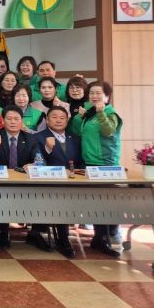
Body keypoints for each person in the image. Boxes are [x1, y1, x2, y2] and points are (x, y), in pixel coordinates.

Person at [71, 81, 123, 257]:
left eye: (98, 93)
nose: (94, 96)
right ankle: (99, 237)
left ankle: (105, 238)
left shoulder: (110, 112)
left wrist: (100, 112)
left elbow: (109, 131)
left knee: (105, 203)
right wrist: (81, 116)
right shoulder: (90, 114)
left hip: (105, 164)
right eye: (91, 93)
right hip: (89, 162)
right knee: (95, 202)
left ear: (107, 96)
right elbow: (78, 132)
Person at [0, 105, 40, 248]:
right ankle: (4, 231)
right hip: (1, 184)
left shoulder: (30, 138)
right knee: (3, 194)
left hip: (24, 184)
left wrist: (35, 164)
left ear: (21, 121)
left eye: (16, 119)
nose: (13, 122)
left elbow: (39, 158)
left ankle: (35, 233)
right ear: (3, 120)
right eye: (9, 118)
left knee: (41, 194)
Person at [29, 105, 83, 258]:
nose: (58, 120)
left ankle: (99, 236)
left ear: (67, 120)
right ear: (47, 120)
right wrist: (47, 149)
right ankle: (62, 238)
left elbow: (81, 162)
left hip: (72, 184)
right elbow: (38, 161)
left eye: (62, 118)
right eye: (54, 117)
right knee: (59, 199)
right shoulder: (38, 137)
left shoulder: (75, 138)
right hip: (47, 185)